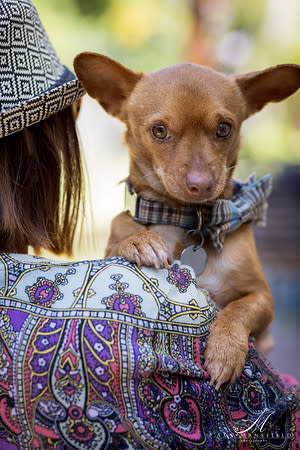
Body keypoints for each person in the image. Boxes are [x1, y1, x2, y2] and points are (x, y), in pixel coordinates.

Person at [0, 1, 299, 449]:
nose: (198, 175)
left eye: (221, 130)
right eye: (162, 132)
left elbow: (258, 298)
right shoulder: (122, 241)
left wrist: (236, 322)